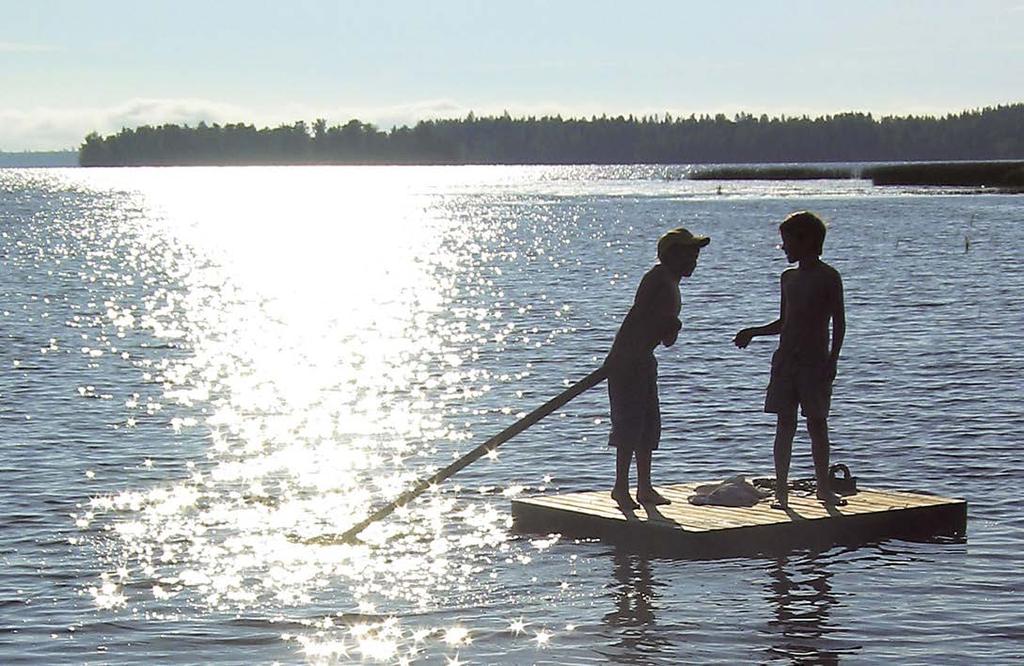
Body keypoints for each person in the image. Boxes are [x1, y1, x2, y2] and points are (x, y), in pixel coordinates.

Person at [734, 211, 846, 509]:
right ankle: (781, 490)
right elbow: (785, 322)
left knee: (817, 425)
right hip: (786, 362)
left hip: (814, 363)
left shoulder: (828, 277)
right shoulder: (788, 278)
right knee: (785, 424)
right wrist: (754, 332)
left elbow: (839, 323)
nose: (783, 248)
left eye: (787, 242)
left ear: (806, 241)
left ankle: (823, 487)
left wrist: (832, 360)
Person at [606, 227, 709, 509]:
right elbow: (639, 317)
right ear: (672, 255)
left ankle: (645, 487)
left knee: (649, 426)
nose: (694, 261)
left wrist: (670, 326)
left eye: (696, 255)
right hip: (628, 360)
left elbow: (665, 338)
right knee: (629, 426)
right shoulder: (657, 279)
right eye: (690, 254)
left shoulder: (671, 284)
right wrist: (668, 325)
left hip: (644, 360)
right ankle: (620, 488)